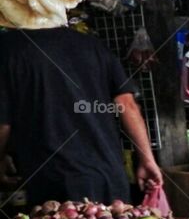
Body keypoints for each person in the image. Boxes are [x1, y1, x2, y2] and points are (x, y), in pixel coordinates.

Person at [0, 27, 163, 205]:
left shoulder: (8, 48)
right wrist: (147, 159)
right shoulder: (93, 45)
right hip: (110, 176)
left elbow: (3, 125)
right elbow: (127, 105)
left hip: (55, 183)